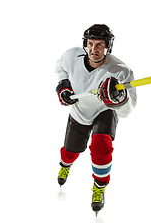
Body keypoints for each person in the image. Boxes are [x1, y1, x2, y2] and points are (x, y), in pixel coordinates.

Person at [55, 24, 137, 214]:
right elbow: (60, 69)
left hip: (104, 109)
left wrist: (120, 100)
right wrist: (63, 86)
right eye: (91, 44)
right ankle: (65, 166)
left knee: (101, 146)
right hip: (80, 111)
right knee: (69, 152)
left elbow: (127, 111)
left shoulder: (121, 71)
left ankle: (99, 188)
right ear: (85, 44)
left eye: (100, 44)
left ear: (108, 46)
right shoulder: (71, 56)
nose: (94, 49)